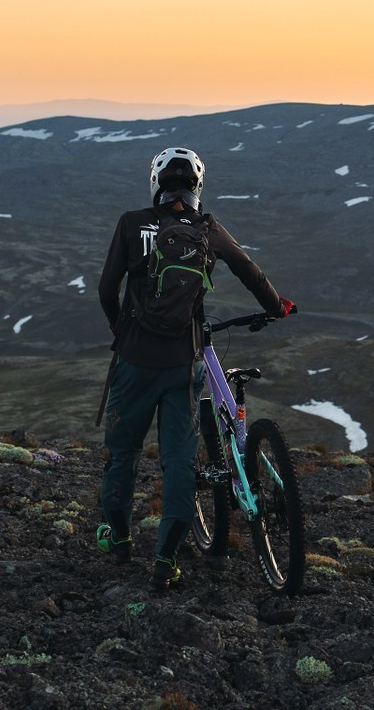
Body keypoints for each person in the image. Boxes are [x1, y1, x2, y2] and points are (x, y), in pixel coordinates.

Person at [96, 145, 294, 591]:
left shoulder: (131, 224)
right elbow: (252, 273)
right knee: (180, 461)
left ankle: (120, 539)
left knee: (122, 453)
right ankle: (166, 559)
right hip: (182, 364)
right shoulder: (209, 230)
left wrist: (119, 325)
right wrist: (277, 307)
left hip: (132, 360)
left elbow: (107, 289)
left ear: (156, 183)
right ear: (198, 186)